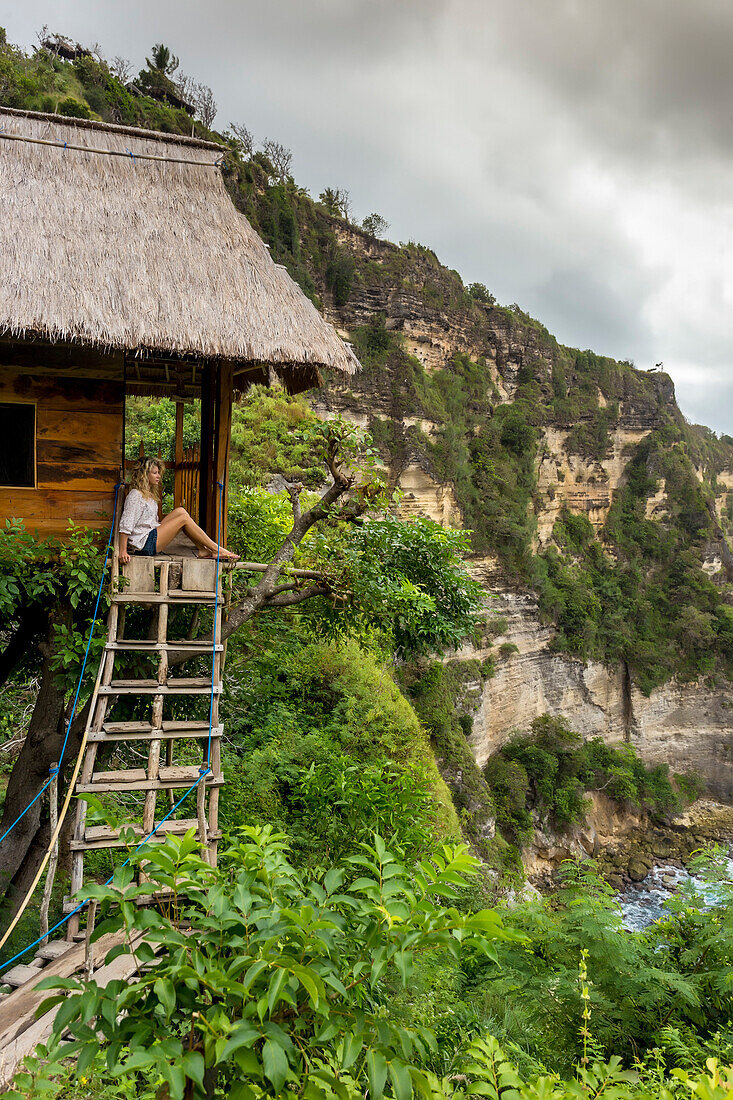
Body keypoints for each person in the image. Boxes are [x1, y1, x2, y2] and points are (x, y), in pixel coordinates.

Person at [118, 457, 239, 565]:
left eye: (159, 472)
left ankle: (202, 549)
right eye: (155, 473)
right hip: (144, 544)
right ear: (144, 475)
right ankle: (216, 549)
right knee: (183, 519)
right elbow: (126, 524)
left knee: (180, 511)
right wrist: (123, 551)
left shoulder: (148, 495)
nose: (158, 476)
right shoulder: (135, 495)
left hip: (151, 535)